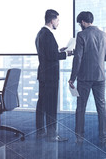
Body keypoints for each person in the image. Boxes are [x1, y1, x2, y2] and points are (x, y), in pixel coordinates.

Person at [68, 11, 106, 146]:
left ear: (82, 22)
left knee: (81, 107)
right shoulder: (105, 35)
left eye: (79, 23)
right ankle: (104, 138)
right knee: (102, 107)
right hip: (100, 77)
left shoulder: (82, 35)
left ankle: (79, 137)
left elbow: (78, 59)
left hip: (84, 78)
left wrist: (72, 78)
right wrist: (97, 57)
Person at [35, 9, 72, 142]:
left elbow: (48, 53)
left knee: (42, 104)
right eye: (57, 20)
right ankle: (52, 135)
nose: (58, 22)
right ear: (52, 20)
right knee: (51, 105)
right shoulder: (48, 35)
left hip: (43, 74)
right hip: (50, 76)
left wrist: (58, 50)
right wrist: (67, 53)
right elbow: (52, 56)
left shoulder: (40, 33)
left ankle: (41, 132)